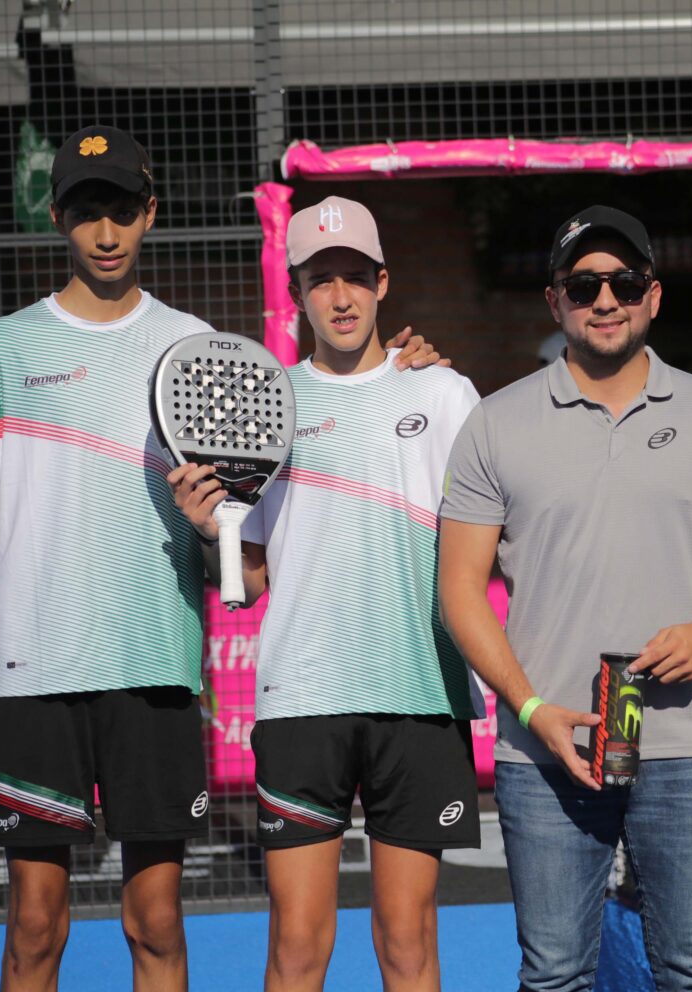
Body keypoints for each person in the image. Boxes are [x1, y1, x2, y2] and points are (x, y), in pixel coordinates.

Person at [0, 129, 440, 992]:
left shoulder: (199, 348)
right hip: (34, 671)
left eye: (121, 210)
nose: (106, 232)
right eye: (87, 212)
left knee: (155, 923)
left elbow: (235, 517)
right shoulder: (0, 350)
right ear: (57, 218)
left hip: (156, 671)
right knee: (33, 926)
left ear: (150, 214)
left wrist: (407, 372)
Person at [436, 205, 692, 991]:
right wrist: (531, 709)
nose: (606, 300)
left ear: (653, 296)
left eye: (625, 283)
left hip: (691, 749)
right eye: (584, 285)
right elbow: (458, 588)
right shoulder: (494, 424)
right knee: (555, 976)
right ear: (555, 301)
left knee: (691, 976)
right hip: (547, 753)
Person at [170, 196, 483, 992]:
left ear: (383, 283)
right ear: (296, 292)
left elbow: (493, 538)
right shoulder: (261, 406)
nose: (340, 298)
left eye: (354, 277)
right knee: (298, 947)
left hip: (421, 694)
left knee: (407, 942)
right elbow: (251, 580)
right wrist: (211, 531)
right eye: (320, 280)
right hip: (304, 700)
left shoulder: (445, 395)